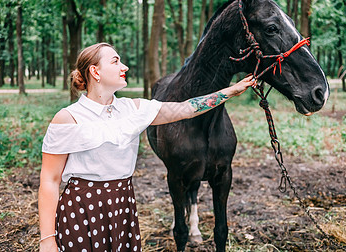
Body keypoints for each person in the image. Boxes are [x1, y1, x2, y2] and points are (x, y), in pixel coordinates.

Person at [38, 42, 255, 252]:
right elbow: (50, 180)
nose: (125, 67)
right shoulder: (68, 118)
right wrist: (47, 240)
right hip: (81, 210)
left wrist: (231, 91)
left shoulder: (133, 108)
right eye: (115, 62)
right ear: (95, 71)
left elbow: (186, 109)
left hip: (122, 206)